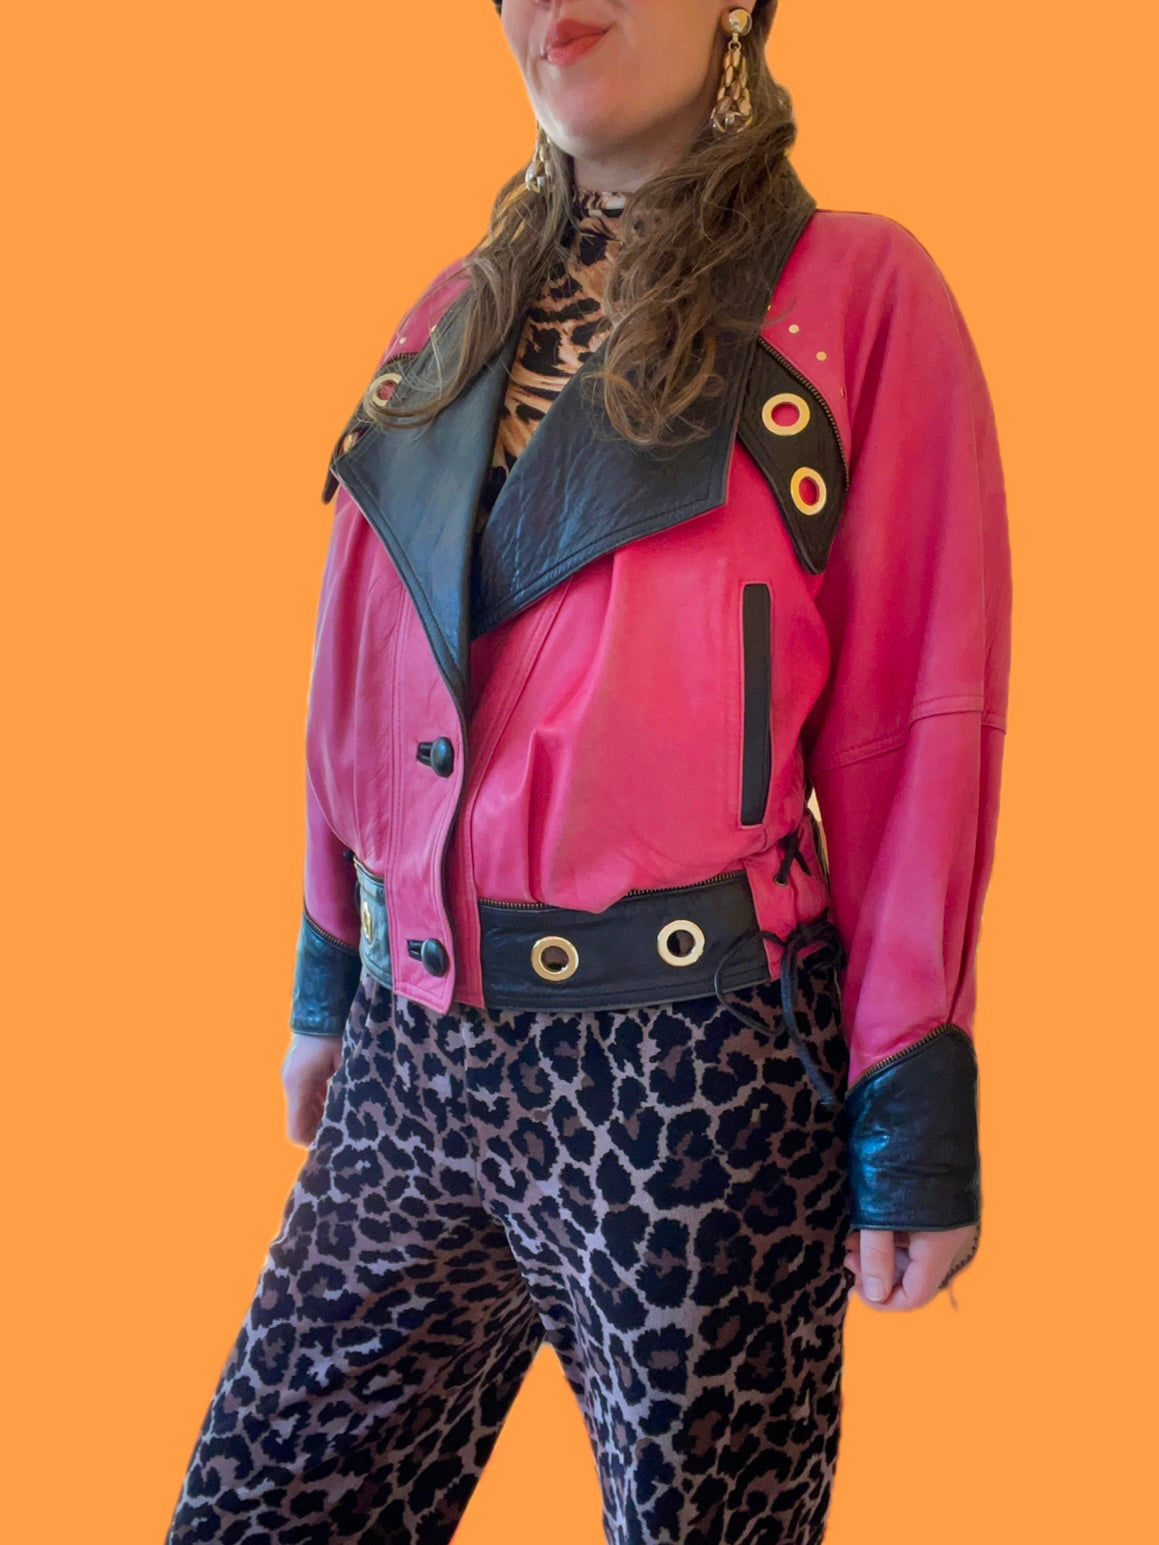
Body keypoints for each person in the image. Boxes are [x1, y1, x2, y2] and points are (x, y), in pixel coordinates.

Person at [166, 1, 1011, 1540]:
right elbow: (358, 659)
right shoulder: (444, 319)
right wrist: (329, 963)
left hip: (690, 1070)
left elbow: (919, 713)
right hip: (414, 1052)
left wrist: (912, 1100)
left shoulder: (854, 295)